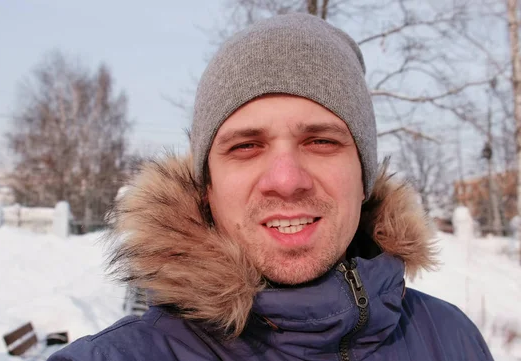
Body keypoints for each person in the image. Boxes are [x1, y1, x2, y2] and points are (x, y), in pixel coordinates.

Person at [48, 13, 494, 361]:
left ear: (364, 177)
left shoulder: (452, 339)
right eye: (245, 147)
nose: (286, 180)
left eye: (320, 141)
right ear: (206, 188)